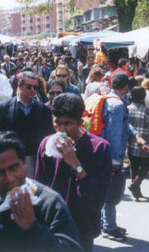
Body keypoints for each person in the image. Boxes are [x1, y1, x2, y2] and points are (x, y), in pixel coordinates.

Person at [0, 131, 81, 251]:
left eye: (14, 168)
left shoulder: (49, 203)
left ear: (24, 163)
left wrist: (32, 227)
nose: (9, 178)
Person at [35, 93, 112, 251]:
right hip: (51, 225)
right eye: (57, 122)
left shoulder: (99, 148)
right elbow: (39, 187)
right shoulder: (45, 145)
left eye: (68, 123)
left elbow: (98, 199)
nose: (62, 130)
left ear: (80, 122)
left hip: (82, 227)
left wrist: (76, 165)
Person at [100, 72, 146, 241]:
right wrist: (116, 159)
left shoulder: (107, 99)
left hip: (102, 152)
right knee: (112, 193)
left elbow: (123, 125)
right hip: (111, 155)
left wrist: (135, 135)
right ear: (126, 87)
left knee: (105, 191)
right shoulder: (118, 105)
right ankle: (109, 227)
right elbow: (115, 132)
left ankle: (105, 223)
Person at [0, 71, 55, 179]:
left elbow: (48, 135)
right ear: (19, 86)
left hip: (35, 158)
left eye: (35, 87)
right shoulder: (4, 107)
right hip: (11, 158)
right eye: (29, 86)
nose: (32, 90)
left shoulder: (43, 110)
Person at [127, 87, 149, 200]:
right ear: (143, 97)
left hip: (131, 143)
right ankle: (136, 183)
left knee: (133, 165)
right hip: (145, 144)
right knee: (146, 166)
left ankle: (136, 189)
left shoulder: (127, 109)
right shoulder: (146, 111)